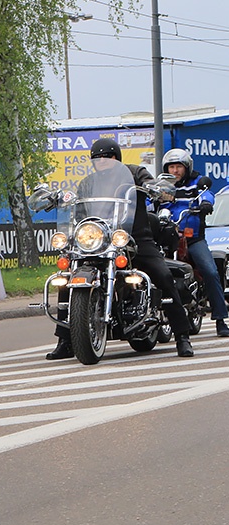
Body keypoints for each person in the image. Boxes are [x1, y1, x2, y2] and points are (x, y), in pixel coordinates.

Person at [46, 138, 194, 359]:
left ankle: (182, 336)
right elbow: (79, 211)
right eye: (97, 159)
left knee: (162, 275)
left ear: (116, 157)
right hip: (99, 240)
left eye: (106, 157)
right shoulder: (87, 182)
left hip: (133, 237)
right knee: (68, 279)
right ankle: (66, 339)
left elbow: (153, 185)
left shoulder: (134, 172)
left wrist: (154, 187)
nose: (102, 162)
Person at [154, 148, 229, 337]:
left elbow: (207, 194)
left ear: (186, 167)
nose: (175, 170)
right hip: (166, 238)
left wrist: (206, 204)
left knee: (210, 271)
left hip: (192, 238)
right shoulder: (161, 185)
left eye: (179, 166)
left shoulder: (197, 182)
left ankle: (220, 319)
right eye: (172, 166)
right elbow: (148, 201)